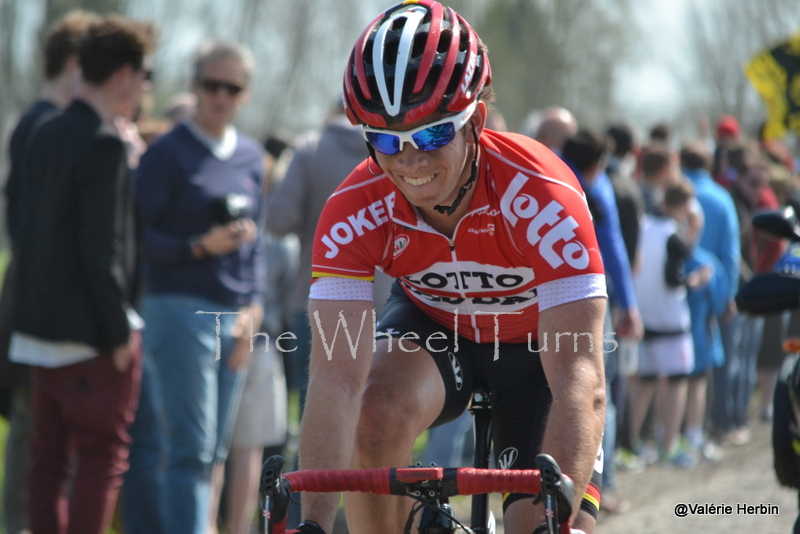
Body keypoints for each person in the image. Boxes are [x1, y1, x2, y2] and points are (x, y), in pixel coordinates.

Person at [296, 2, 607, 533]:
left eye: (434, 134)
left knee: (544, 524)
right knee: (374, 410)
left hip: (539, 357)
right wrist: (313, 524)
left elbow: (580, 376)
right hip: (435, 332)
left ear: (476, 121)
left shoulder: (541, 193)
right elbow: (335, 381)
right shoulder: (354, 208)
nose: (411, 161)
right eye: (387, 141)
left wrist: (561, 510)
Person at [9, 15, 155, 534]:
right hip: (93, 334)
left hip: (37, 331)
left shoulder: (44, 129)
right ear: (122, 74)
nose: (145, 87)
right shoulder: (103, 143)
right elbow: (101, 250)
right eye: (144, 75)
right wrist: (118, 332)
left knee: (47, 462)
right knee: (101, 458)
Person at [134, 40, 265, 534]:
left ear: (245, 94)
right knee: (188, 451)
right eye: (211, 84)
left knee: (213, 451)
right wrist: (196, 247)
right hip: (176, 306)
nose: (220, 96)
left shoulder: (251, 157)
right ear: (194, 86)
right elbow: (137, 239)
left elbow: (258, 245)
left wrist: (254, 311)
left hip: (235, 316)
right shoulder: (165, 153)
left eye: (232, 87)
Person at [0, 11, 100, 534]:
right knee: (33, 428)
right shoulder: (44, 124)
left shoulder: (48, 123)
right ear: (76, 64)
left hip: (42, 295)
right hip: (35, 297)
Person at [629, 179, 698, 469]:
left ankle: (631, 441)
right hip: (670, 317)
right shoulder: (674, 235)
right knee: (677, 381)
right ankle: (669, 445)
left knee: (644, 382)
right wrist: (695, 280)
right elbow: (674, 279)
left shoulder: (643, 226)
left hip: (644, 315)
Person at [680, 141, 741, 445]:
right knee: (708, 364)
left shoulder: (674, 196)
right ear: (710, 166)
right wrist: (728, 295)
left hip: (675, 289)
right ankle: (710, 426)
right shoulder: (721, 198)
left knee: (675, 363)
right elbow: (730, 252)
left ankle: (675, 431)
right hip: (709, 290)